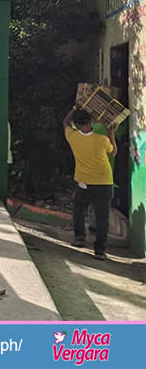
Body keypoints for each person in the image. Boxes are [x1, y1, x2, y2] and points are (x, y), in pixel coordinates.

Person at [63, 106, 117, 261]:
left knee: (79, 208)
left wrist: (74, 108)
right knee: (102, 217)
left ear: (77, 124)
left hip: (83, 182)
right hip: (103, 182)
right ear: (91, 121)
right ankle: (100, 250)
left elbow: (65, 121)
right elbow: (113, 152)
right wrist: (111, 132)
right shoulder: (101, 139)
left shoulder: (72, 137)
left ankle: (79, 237)